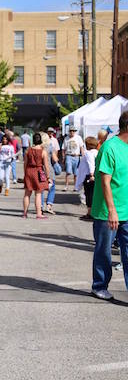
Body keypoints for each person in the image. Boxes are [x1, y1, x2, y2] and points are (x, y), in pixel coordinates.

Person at [90, 111, 128, 301]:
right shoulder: (110, 148)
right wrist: (112, 210)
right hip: (107, 212)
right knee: (104, 250)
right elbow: (105, 181)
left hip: (126, 211)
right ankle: (99, 285)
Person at [22, 133, 51, 219]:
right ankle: (39, 214)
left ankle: (24, 213)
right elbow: (46, 166)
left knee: (27, 193)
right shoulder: (43, 151)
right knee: (38, 194)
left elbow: (25, 164)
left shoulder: (28, 150)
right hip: (38, 171)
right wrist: (48, 177)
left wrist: (25, 174)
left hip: (29, 171)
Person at [75, 137, 98, 221]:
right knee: (93, 193)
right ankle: (92, 212)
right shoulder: (97, 152)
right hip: (94, 175)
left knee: (89, 194)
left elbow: (91, 163)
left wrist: (91, 174)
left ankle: (90, 212)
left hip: (88, 175)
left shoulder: (88, 153)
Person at [41, 131, 60, 215]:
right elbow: (55, 159)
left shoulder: (38, 147)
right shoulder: (50, 147)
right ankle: (49, 206)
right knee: (52, 189)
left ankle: (40, 206)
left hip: (40, 170)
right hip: (49, 170)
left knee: (40, 190)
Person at [62, 125, 85, 191]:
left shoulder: (78, 138)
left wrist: (83, 156)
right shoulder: (66, 138)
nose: (72, 132)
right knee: (68, 172)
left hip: (76, 156)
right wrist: (63, 157)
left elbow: (81, 147)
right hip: (68, 155)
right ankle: (66, 186)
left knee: (76, 173)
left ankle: (75, 186)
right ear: (69, 131)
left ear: (75, 132)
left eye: (73, 131)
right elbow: (63, 148)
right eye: (71, 131)